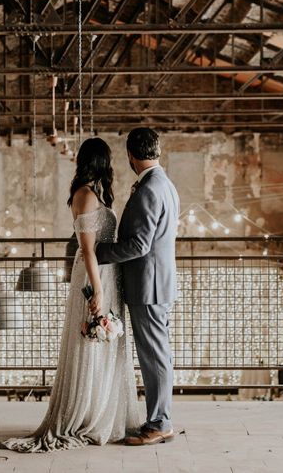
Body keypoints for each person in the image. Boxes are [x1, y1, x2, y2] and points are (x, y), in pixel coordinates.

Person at [0, 137, 144, 453]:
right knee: (91, 341)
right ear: (102, 162)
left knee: (105, 346)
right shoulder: (85, 196)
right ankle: (86, 414)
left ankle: (103, 410)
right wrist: (99, 291)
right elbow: (88, 250)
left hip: (106, 273)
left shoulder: (94, 194)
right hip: (95, 274)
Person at [95, 127, 180, 446]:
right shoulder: (165, 184)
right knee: (158, 354)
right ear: (157, 151)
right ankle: (161, 418)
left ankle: (160, 422)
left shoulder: (148, 189)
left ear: (130, 155)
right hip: (156, 282)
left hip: (149, 284)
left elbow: (140, 245)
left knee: (154, 355)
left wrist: (99, 252)